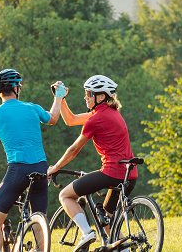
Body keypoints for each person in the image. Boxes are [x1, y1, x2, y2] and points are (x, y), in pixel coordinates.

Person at [0, 69, 66, 252]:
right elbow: (53, 118)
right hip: (41, 168)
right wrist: (58, 96)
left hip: (18, 171)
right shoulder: (33, 108)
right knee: (38, 217)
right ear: (15, 87)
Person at [47, 75, 138, 252]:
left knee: (65, 195)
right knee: (107, 223)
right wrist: (61, 99)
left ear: (101, 96)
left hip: (111, 173)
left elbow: (74, 149)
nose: (85, 97)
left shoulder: (96, 119)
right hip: (129, 174)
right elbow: (71, 120)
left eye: (89, 93)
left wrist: (55, 167)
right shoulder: (110, 113)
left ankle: (87, 233)